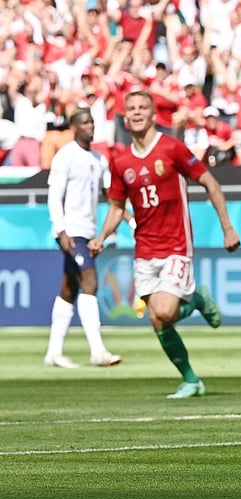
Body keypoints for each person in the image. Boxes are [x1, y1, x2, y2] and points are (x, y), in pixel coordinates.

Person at [88, 91, 241, 399]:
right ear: (124, 117)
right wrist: (102, 237)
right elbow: (117, 207)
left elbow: (210, 182)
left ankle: (197, 299)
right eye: (130, 108)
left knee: (167, 311)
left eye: (142, 107)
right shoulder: (120, 162)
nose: (136, 112)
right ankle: (191, 379)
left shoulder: (172, 148)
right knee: (156, 317)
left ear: (154, 114)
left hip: (176, 243)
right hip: (144, 248)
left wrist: (227, 227)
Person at [44, 109, 125, 369]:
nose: (90, 127)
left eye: (92, 122)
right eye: (85, 123)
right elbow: (54, 195)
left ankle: (53, 352)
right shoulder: (65, 156)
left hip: (87, 231)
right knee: (90, 281)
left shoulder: (99, 159)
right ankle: (97, 350)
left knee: (69, 289)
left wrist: (128, 217)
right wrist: (61, 230)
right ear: (74, 127)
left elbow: (110, 196)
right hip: (71, 230)